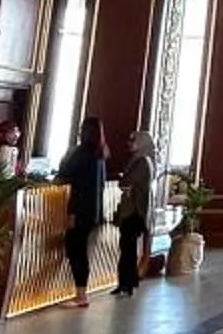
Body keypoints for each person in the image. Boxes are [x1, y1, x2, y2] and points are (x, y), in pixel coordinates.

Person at [59, 117, 109, 308]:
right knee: (81, 251)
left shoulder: (81, 153)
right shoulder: (100, 154)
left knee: (75, 250)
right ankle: (81, 294)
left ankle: (80, 295)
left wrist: (72, 213)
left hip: (79, 210)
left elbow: (66, 175)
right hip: (94, 210)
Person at [113, 129, 156, 297]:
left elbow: (126, 182)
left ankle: (127, 282)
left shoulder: (142, 162)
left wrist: (123, 179)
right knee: (127, 248)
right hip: (135, 211)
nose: (129, 143)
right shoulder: (142, 160)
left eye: (133, 140)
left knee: (127, 249)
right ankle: (127, 282)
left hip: (134, 211)